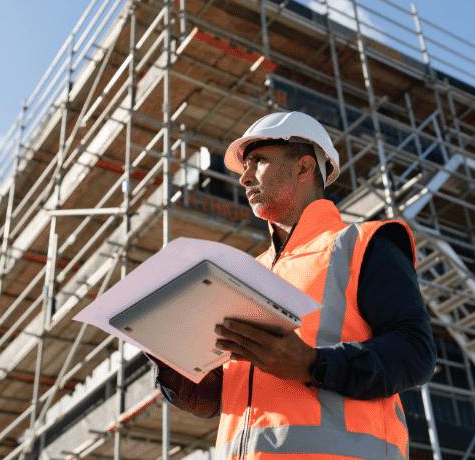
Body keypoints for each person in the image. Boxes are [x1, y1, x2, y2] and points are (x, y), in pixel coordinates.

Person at [147, 111, 436, 459]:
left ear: (303, 168)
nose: (245, 178)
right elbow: (218, 399)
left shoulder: (362, 244)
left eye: (258, 162)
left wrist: (313, 364)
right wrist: (172, 365)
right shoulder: (245, 273)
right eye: (245, 167)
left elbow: (416, 353)